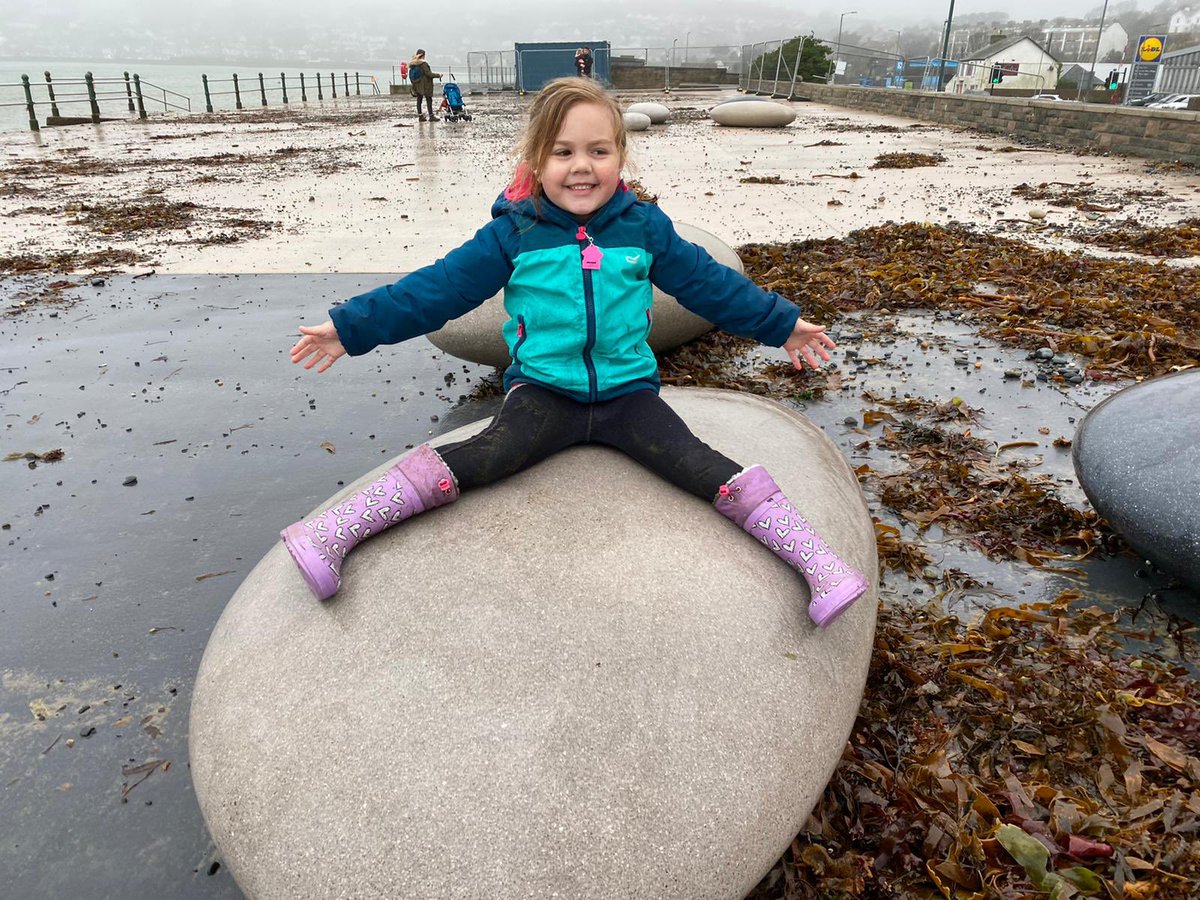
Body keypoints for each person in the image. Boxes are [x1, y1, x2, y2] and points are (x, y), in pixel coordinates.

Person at [283, 77, 868, 628]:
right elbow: (434, 291)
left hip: (628, 394)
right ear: (537, 162)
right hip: (544, 391)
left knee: (698, 463)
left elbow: (711, 285)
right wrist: (349, 328)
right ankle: (334, 531)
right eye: (563, 153)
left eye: (598, 151)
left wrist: (782, 324)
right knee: (486, 456)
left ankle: (821, 567)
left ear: (620, 157)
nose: (581, 167)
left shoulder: (645, 228)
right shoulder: (515, 232)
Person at [408, 49, 441, 121]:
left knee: (419, 100)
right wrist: (438, 75)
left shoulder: (413, 63)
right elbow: (429, 74)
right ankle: (431, 116)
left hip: (417, 85)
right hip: (425, 85)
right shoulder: (423, 64)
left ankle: (420, 116)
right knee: (429, 99)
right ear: (423, 55)